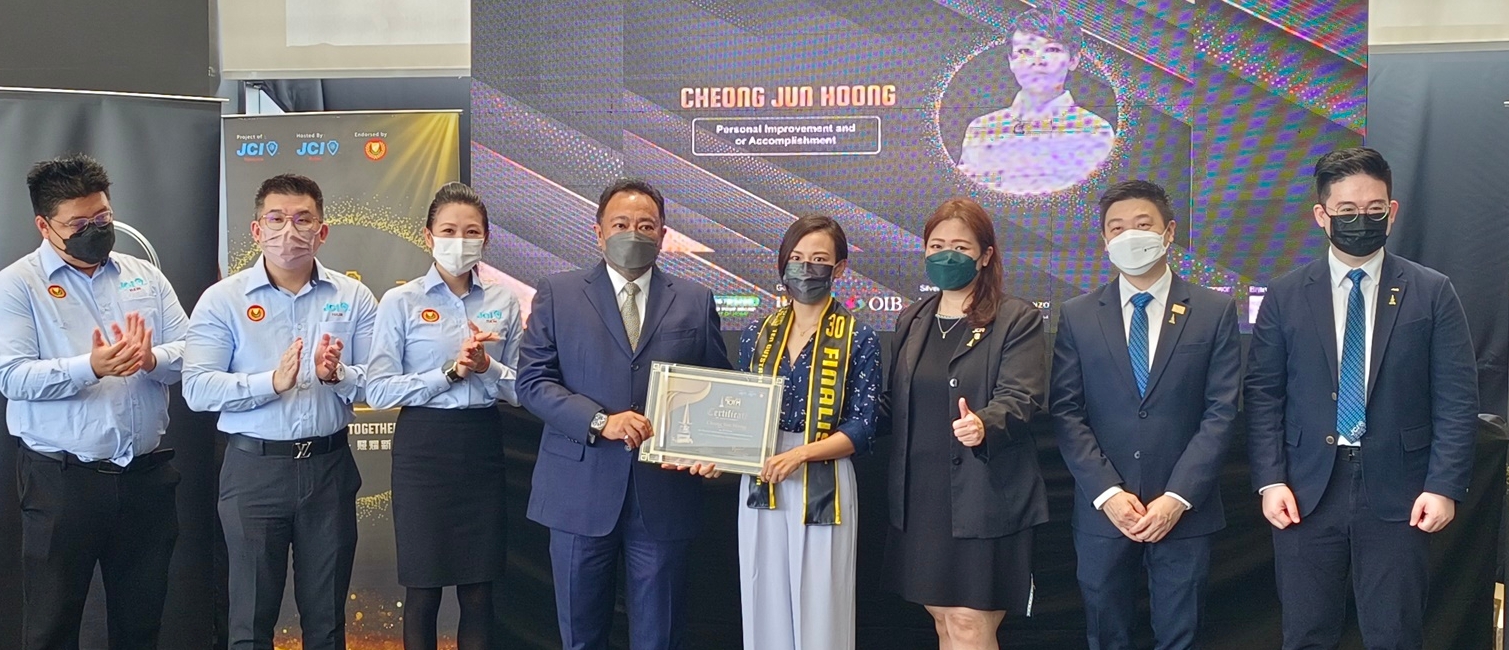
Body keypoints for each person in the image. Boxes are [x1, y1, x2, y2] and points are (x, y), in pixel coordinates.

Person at [1247, 147, 1478, 649]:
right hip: (1305, 491)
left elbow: (1457, 399)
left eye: (1374, 210)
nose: (1362, 221)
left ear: (1391, 212)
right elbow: (1264, 395)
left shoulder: (1432, 292)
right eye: (1347, 211)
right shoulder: (1285, 294)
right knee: (1306, 633)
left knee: (1395, 634)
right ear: (1321, 215)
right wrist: (1270, 480)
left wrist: (1443, 485)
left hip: (1402, 492)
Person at [516, 178, 728, 650]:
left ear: (663, 235)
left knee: (660, 637)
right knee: (581, 636)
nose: (633, 233)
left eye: (646, 225)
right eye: (621, 224)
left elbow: (717, 387)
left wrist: (715, 445)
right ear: (598, 232)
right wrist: (600, 421)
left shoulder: (695, 299)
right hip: (579, 492)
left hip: (664, 494)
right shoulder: (558, 292)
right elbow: (532, 382)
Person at [182, 173, 378, 650]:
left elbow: (380, 380)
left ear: (322, 231)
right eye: (276, 219)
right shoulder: (223, 299)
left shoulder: (353, 297)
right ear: (257, 230)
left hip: (329, 469)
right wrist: (270, 383)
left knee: (326, 621)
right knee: (250, 621)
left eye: (302, 220)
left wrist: (337, 376)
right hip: (255, 471)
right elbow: (197, 389)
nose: (289, 231)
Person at [0, 154, 188, 650]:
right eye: (79, 224)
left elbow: (194, 353)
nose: (95, 230)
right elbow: (11, 376)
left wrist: (153, 359)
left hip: (145, 478)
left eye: (102, 217)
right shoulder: (18, 285)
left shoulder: (145, 276)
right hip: (63, 483)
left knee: (141, 625)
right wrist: (91, 367)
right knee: (52, 626)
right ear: (45, 226)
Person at [1052, 180, 1241, 649]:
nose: (1130, 235)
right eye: (1117, 228)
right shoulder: (1078, 314)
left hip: (1185, 511)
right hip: (1103, 512)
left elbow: (1221, 412)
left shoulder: (1213, 310)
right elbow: (1067, 411)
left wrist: (1178, 496)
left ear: (1169, 232)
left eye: (1143, 224)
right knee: (1105, 634)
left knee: (1181, 636)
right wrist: (1108, 494)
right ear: (1104, 239)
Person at [881, 198, 1047, 650]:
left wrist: (984, 424)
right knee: (943, 620)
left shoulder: (1016, 318)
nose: (946, 255)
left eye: (960, 246)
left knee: (971, 624)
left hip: (984, 495)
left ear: (985, 255)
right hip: (922, 497)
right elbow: (894, 402)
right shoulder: (913, 318)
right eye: (937, 245)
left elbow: (1022, 397)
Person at [365, 182, 522, 650]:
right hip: (424, 449)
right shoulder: (401, 301)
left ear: (486, 238)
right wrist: (449, 373)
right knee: (424, 589)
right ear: (428, 236)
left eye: (471, 232)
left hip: (481, 446)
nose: (460, 240)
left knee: (478, 591)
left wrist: (486, 367)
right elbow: (378, 390)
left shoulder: (503, 301)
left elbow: (521, 390)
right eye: (449, 230)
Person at [736, 215, 882, 650]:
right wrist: (715, 452)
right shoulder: (757, 333)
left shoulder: (858, 336)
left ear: (839, 268)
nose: (806, 268)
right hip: (763, 470)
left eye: (819, 259)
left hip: (825, 474)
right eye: (797, 258)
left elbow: (863, 425)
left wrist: (801, 454)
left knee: (821, 601)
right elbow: (739, 412)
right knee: (763, 593)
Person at [958, 6, 1116, 195]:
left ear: (1073, 60)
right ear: (1011, 60)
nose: (1038, 60)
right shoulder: (982, 129)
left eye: (1052, 49)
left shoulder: (1095, 131)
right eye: (1025, 51)